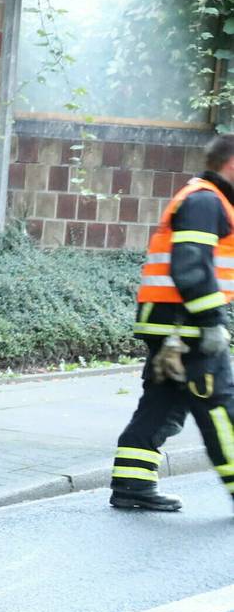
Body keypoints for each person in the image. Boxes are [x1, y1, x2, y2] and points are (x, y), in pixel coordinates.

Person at [107, 135, 234, 513]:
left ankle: (133, 483)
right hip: (189, 326)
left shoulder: (204, 198)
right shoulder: (206, 201)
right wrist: (212, 320)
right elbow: (190, 266)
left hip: (171, 324)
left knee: (163, 403)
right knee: (219, 407)